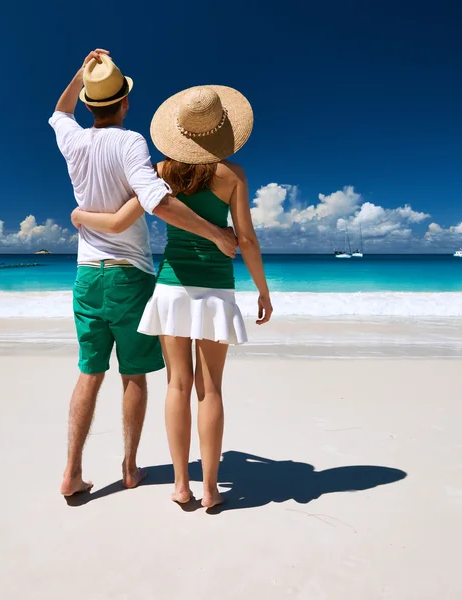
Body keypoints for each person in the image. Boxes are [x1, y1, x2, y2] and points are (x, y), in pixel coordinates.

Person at [71, 85, 273, 507]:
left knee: (177, 385)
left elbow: (118, 221)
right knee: (211, 389)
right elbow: (247, 240)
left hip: (170, 288)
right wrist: (262, 290)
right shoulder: (232, 175)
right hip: (217, 289)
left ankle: (181, 484)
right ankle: (212, 488)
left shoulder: (161, 172)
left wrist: (79, 215)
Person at [49, 51, 238, 498]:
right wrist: (215, 233)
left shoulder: (71, 140)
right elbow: (156, 200)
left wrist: (81, 75)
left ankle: (72, 471)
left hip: (85, 276)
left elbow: (59, 112)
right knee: (133, 375)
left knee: (89, 372)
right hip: (128, 275)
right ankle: (130, 468)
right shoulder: (131, 143)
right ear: (126, 103)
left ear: (91, 103)